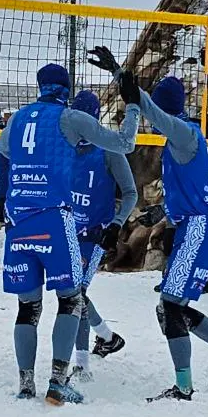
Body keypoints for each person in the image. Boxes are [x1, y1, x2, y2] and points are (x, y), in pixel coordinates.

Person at [89, 47, 208, 403]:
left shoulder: (183, 134)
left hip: (197, 228)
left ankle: (184, 387)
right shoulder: (179, 139)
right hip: (190, 225)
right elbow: (189, 189)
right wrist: (160, 212)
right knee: (172, 307)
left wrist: (123, 76)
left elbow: (149, 107)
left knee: (169, 307)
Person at [0, 61, 141, 406]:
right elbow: (125, 142)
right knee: (71, 299)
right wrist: (133, 104)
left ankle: (25, 384)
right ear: (66, 88)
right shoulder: (71, 118)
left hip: (17, 220)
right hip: (53, 218)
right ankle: (58, 382)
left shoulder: (18, 118)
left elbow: (4, 150)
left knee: (27, 307)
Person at [68, 90, 137, 380]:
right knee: (72, 295)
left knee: (76, 295)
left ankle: (82, 364)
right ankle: (107, 337)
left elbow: (132, 193)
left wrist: (116, 224)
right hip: (66, 231)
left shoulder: (109, 149)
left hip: (96, 234)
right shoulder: (64, 144)